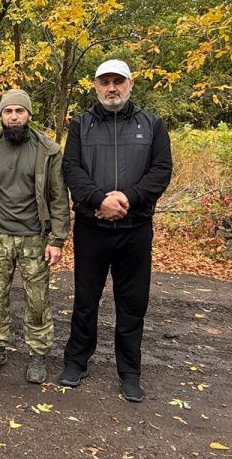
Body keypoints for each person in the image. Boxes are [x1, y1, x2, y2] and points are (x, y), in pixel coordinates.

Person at [58, 59, 173, 402]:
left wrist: (129, 197)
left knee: (133, 303)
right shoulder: (81, 125)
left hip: (135, 229)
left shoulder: (151, 125)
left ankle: (130, 371)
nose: (111, 88)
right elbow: (71, 169)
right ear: (95, 86)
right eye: (104, 82)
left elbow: (161, 170)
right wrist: (98, 199)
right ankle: (76, 361)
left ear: (130, 83)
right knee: (85, 300)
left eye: (117, 81)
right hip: (92, 228)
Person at [0, 89, 70, 383]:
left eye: (19, 112)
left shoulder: (47, 150)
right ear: (1, 115)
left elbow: (59, 197)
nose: (13, 117)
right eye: (8, 112)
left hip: (34, 238)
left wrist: (57, 239)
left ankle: (37, 354)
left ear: (29, 115)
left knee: (37, 301)